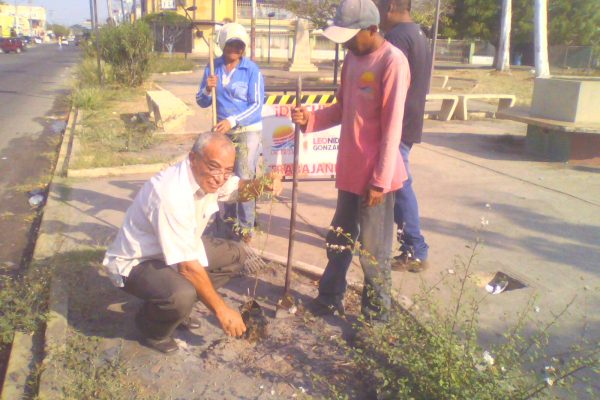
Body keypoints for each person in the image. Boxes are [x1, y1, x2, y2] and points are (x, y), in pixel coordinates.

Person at [102, 133, 282, 354]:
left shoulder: (208, 177)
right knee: (181, 294)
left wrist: (262, 185)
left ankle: (176, 312)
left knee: (236, 254)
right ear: (193, 158)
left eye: (227, 170)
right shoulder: (170, 194)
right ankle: (151, 328)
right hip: (138, 262)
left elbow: (237, 189)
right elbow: (187, 267)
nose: (220, 178)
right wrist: (222, 311)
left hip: (176, 250)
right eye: (214, 167)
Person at [292, 0, 410, 322]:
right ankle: (330, 298)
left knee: (373, 254)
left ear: (371, 29)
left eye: (350, 36)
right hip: (350, 172)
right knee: (339, 241)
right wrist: (311, 119)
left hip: (376, 179)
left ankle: (376, 320)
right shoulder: (352, 60)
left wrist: (379, 181)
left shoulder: (392, 62)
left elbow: (393, 129)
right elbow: (342, 108)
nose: (345, 43)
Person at [196, 23, 265, 244]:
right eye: (231, 44)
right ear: (223, 45)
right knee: (222, 177)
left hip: (247, 130)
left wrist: (232, 121)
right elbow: (201, 101)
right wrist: (207, 89)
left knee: (244, 177)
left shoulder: (251, 70)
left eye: (240, 46)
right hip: (222, 132)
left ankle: (245, 228)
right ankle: (224, 225)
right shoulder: (213, 67)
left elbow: (257, 105)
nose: (236, 49)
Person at [376, 0, 431, 272]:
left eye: (379, 6)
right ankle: (407, 244)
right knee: (398, 183)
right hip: (410, 121)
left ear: (391, 6)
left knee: (399, 185)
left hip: (398, 124)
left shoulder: (396, 38)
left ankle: (414, 247)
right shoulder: (418, 33)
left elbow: (388, 83)